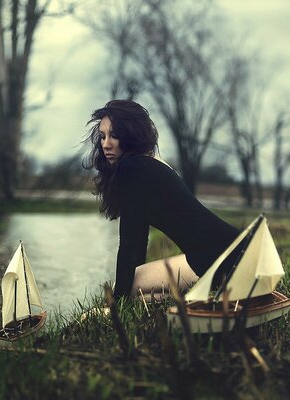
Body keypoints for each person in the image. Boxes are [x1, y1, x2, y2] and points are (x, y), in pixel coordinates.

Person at [84, 99, 241, 300]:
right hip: (234, 252)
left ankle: (124, 304)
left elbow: (129, 242)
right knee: (136, 292)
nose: (106, 144)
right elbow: (138, 239)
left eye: (114, 135)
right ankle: (195, 297)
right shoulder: (150, 164)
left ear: (130, 134)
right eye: (103, 136)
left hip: (221, 257)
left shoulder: (133, 167)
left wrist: (116, 302)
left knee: (127, 286)